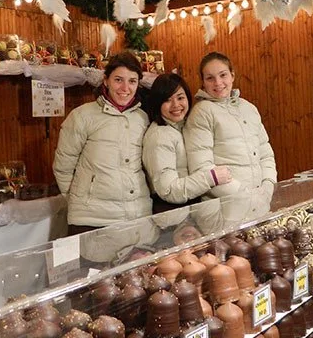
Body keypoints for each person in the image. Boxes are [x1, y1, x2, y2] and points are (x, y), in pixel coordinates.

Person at [54, 51, 152, 234]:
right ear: (106, 80)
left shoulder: (143, 118)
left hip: (137, 215)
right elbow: (63, 166)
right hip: (91, 220)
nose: (125, 88)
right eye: (118, 80)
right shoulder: (82, 116)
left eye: (132, 81)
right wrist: (81, 200)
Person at [184, 52, 277, 200]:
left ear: (232, 76)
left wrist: (268, 185)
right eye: (210, 78)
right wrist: (243, 194)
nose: (218, 83)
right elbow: (202, 167)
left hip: (259, 201)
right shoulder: (202, 112)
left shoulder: (249, 108)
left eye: (223, 75)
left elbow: (265, 154)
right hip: (225, 206)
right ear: (203, 82)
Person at [142, 74, 232, 211]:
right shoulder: (160, 136)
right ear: (157, 103)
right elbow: (168, 190)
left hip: (191, 206)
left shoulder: (184, 126)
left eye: (180, 98)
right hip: (172, 212)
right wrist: (210, 177)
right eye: (167, 100)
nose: (176, 105)